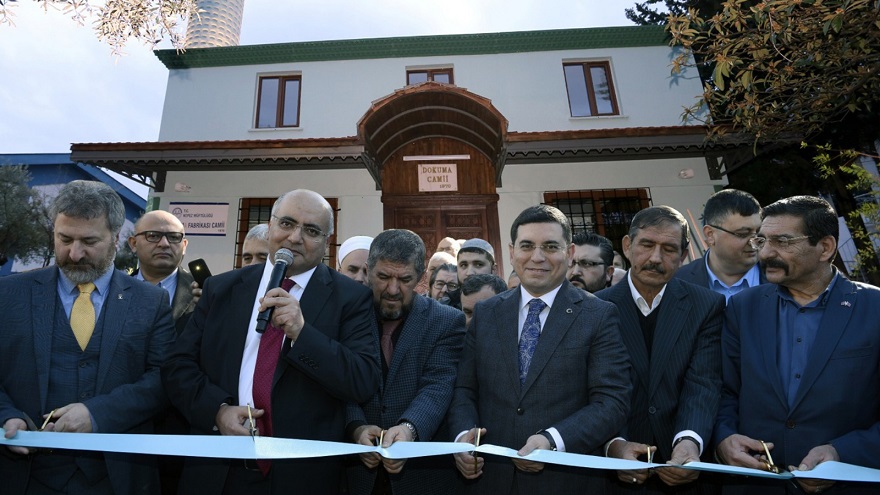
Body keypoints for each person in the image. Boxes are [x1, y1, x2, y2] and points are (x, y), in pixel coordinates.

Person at [161, 189, 381, 495]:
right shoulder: (221, 289)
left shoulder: (352, 298)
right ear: (272, 226)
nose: (294, 238)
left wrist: (303, 333)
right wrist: (217, 411)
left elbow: (363, 379)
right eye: (287, 224)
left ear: (328, 242)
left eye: (311, 230)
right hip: (219, 470)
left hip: (302, 476)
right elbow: (177, 366)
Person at [0, 180, 175, 495]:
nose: (74, 253)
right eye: (64, 239)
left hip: (116, 477)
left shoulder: (151, 302)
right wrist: (7, 415)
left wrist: (98, 413)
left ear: (117, 238)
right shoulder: (9, 294)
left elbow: (165, 379)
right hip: (24, 476)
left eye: (89, 241)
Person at [448, 204, 632, 493]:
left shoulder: (598, 315)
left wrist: (552, 440)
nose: (537, 257)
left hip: (566, 481)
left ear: (569, 253)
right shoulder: (486, 313)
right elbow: (464, 389)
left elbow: (612, 401)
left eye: (549, 246)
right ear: (511, 252)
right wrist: (462, 436)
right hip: (490, 479)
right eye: (526, 246)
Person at [715, 195, 880, 495]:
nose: (765, 253)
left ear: (825, 248)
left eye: (783, 241)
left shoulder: (874, 308)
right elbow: (725, 390)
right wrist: (724, 438)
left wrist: (843, 452)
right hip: (756, 485)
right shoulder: (742, 307)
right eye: (762, 241)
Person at [595, 205, 724, 494]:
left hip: (683, 469)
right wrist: (614, 444)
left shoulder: (706, 306)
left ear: (684, 252)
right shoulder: (595, 307)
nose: (656, 258)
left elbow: (703, 383)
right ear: (628, 246)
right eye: (647, 245)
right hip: (611, 470)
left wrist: (689, 441)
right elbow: (591, 389)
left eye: (668, 248)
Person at [346, 229, 466, 495]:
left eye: (404, 279)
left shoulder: (446, 321)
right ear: (368, 271)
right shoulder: (348, 315)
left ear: (422, 278)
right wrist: (355, 427)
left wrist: (410, 429)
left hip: (423, 478)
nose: (392, 289)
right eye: (383, 277)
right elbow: (339, 380)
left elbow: (438, 386)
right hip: (354, 475)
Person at [674, 189, 765, 301]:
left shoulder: (781, 275)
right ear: (710, 235)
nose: (754, 241)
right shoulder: (677, 283)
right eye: (743, 234)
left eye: (759, 233)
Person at [129, 210, 195, 329]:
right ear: (134, 244)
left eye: (174, 237)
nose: (164, 244)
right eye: (153, 236)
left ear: (184, 245)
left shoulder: (203, 292)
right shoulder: (112, 291)